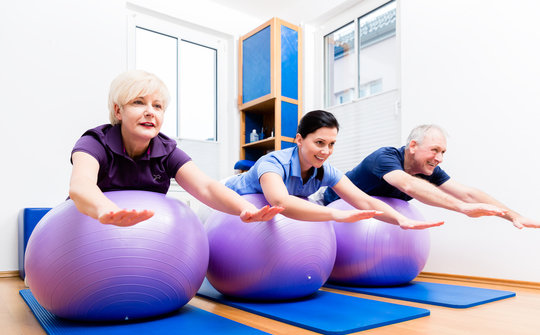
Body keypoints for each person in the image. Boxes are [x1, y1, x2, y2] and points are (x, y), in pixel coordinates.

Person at [69, 70, 283, 227]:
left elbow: (206, 187)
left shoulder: (166, 151)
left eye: (158, 106)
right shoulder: (95, 141)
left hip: (139, 237)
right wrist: (106, 209)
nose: (150, 112)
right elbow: (81, 184)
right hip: (90, 230)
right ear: (118, 111)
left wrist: (246, 209)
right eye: (138, 102)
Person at [225, 110, 444, 229]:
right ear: (299, 140)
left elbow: (364, 200)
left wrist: (400, 219)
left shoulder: (325, 170)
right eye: (319, 143)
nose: (326, 151)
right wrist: (336, 214)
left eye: (332, 144)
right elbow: (281, 202)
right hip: (230, 199)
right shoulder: (272, 163)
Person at [323, 124, 540, 229]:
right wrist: (460, 208)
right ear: (414, 146)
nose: (439, 158)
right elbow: (407, 185)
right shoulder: (385, 157)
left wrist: (513, 216)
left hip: (372, 223)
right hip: (330, 210)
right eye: (435, 150)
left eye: (443, 152)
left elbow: (468, 193)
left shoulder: (428, 170)